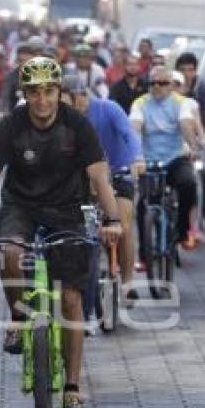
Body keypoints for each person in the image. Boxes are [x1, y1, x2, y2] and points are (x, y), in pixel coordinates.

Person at [0, 57, 123, 408]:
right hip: (20, 207)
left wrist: (113, 218)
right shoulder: (11, 127)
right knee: (10, 252)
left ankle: (72, 389)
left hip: (65, 210)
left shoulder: (78, 126)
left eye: (49, 91)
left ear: (60, 92)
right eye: (34, 92)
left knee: (71, 298)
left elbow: (99, 177)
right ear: (25, 94)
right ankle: (19, 319)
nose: (42, 100)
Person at [62, 75, 144, 307]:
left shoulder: (108, 109)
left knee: (124, 224)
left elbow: (129, 134)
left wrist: (137, 158)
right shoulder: (65, 118)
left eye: (68, 101)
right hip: (86, 179)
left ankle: (127, 282)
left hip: (118, 173)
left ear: (80, 95)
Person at [130, 65, 201, 252]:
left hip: (175, 158)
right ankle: (144, 255)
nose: (157, 87)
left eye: (162, 83)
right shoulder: (140, 103)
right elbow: (134, 129)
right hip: (149, 160)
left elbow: (185, 124)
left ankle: (183, 229)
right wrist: (136, 156)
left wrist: (194, 147)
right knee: (143, 203)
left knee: (189, 184)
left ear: (171, 85)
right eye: (153, 83)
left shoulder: (181, 102)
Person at [175, 52, 205, 233]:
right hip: (176, 138)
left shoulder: (203, 86)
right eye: (183, 70)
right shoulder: (173, 85)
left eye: (190, 69)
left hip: (199, 138)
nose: (187, 74)